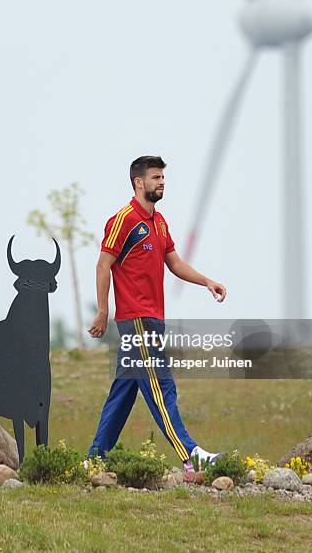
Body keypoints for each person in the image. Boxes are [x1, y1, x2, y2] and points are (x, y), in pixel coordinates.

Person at [87, 155, 227, 471]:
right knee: (162, 388)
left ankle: (94, 461)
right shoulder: (123, 220)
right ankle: (192, 457)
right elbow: (103, 265)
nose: (161, 182)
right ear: (138, 182)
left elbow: (174, 263)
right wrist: (102, 310)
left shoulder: (159, 222)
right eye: (155, 177)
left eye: (162, 177)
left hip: (154, 319)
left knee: (123, 393)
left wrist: (207, 281)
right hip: (135, 319)